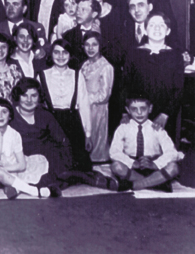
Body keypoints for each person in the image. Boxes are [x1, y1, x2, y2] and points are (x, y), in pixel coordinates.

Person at [122, 12, 185, 140]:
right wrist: (126, 112)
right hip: (137, 112)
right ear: (145, 30)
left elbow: (179, 89)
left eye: (161, 25)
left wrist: (165, 114)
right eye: (152, 25)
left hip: (166, 114)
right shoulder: (133, 53)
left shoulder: (176, 56)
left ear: (168, 31)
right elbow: (125, 85)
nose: (157, 28)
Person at [0, 98, 51, 199]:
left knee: (37, 164)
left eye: (4, 112)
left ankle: (12, 186)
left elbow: (22, 165)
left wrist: (4, 169)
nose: (0, 116)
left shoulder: (15, 134)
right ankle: (34, 191)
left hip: (12, 169)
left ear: (10, 116)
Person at [38, 39, 92, 172]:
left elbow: (84, 104)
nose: (60, 56)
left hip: (72, 121)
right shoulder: (42, 75)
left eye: (65, 53)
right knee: (53, 164)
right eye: (56, 52)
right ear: (51, 55)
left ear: (70, 55)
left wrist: (88, 134)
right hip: (51, 121)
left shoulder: (77, 75)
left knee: (79, 164)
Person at [110, 97, 183, 192]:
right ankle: (157, 183)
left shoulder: (157, 128)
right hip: (133, 167)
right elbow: (114, 152)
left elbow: (172, 152)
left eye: (143, 108)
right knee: (116, 166)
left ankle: (136, 184)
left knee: (174, 167)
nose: (139, 113)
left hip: (153, 166)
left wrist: (155, 164)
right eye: (134, 109)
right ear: (128, 110)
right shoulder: (123, 128)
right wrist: (132, 163)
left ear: (150, 108)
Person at [9, 78, 72, 186]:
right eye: (24, 95)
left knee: (59, 162)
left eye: (34, 96)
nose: (29, 100)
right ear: (17, 96)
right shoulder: (9, 115)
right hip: (21, 158)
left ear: (39, 97)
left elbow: (62, 140)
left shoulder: (45, 115)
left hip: (44, 156)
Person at [80, 32, 114, 163]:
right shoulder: (85, 64)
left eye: (94, 44)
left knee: (97, 138)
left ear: (101, 46)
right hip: (84, 108)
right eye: (87, 45)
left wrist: (85, 99)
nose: (90, 48)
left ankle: (98, 163)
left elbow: (104, 95)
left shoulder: (106, 67)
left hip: (97, 109)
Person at [62, 0, 101, 66]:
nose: (78, 13)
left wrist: (99, 37)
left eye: (83, 10)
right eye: (77, 9)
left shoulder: (103, 34)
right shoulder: (68, 35)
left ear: (94, 14)